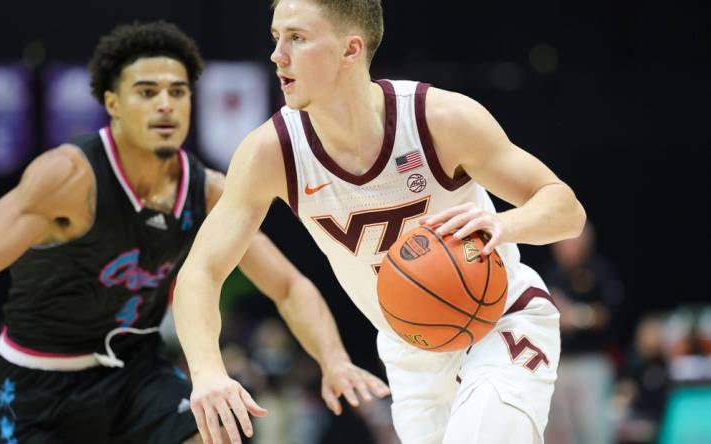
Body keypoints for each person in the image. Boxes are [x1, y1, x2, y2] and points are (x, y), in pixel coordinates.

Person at [0, 20, 388, 444]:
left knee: (217, 431)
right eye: (147, 92)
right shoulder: (67, 178)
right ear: (113, 104)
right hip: (41, 377)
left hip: (135, 371)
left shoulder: (206, 190)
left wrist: (334, 359)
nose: (166, 104)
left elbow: (288, 285)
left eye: (178, 91)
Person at [172, 0, 587, 443]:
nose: (278, 55)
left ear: (351, 49)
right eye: (276, 37)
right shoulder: (269, 153)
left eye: (297, 37)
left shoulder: (437, 119)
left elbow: (566, 209)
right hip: (412, 351)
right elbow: (201, 271)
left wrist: (507, 225)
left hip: (499, 319)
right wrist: (208, 372)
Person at [542, 222, 624, 444]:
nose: (564, 247)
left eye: (570, 240)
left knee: (592, 428)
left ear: (584, 242)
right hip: (558, 364)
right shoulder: (550, 274)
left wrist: (576, 316)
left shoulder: (599, 271)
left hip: (591, 361)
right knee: (556, 431)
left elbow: (609, 314)